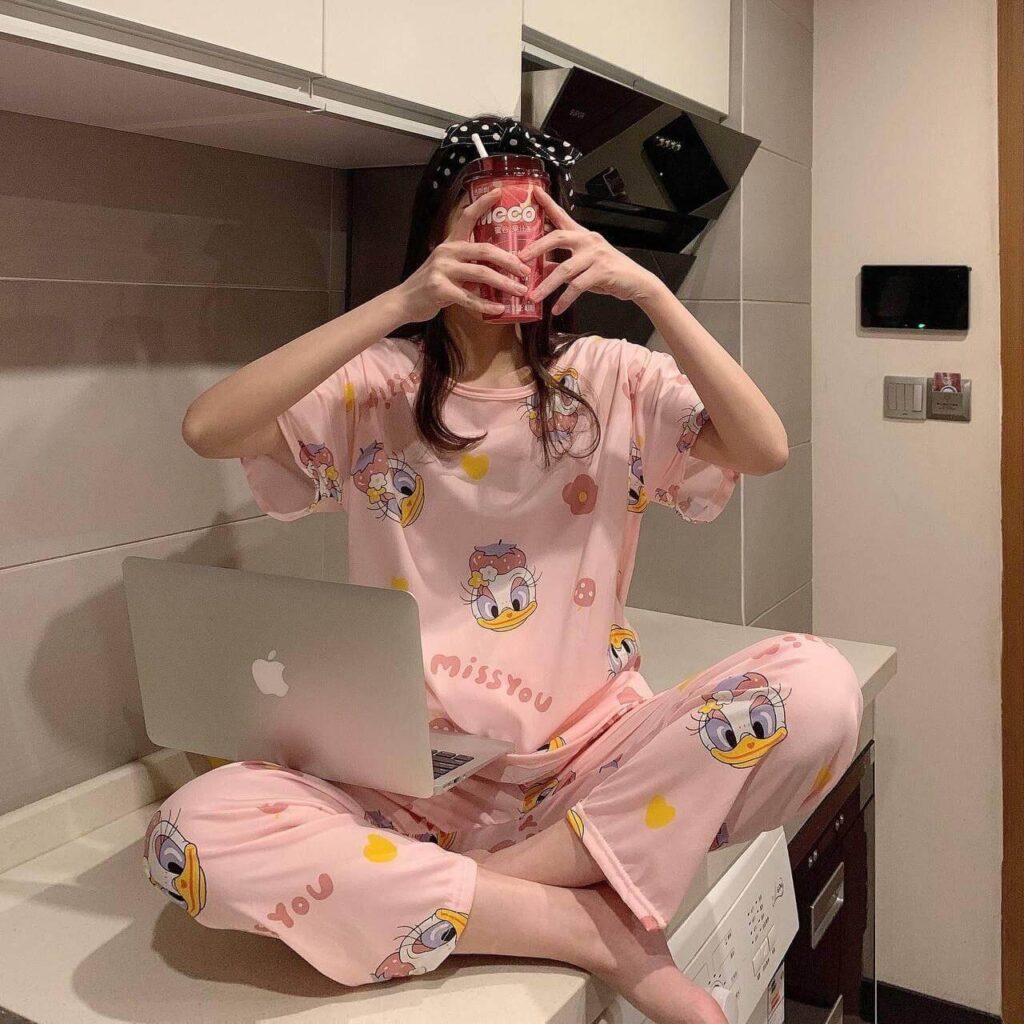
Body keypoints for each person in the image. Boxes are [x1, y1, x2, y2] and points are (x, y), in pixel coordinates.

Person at [154, 115, 863, 1024]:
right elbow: (208, 428)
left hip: (592, 767)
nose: (509, 246)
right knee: (191, 832)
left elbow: (763, 448)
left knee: (820, 689)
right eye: (480, 217)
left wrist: (647, 291)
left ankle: (484, 889)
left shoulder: (611, 376)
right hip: (408, 778)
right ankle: (582, 928)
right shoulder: (376, 384)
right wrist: (399, 302)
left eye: (532, 223)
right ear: (436, 235)